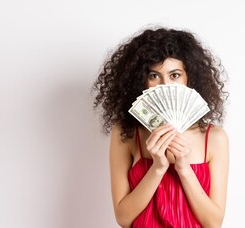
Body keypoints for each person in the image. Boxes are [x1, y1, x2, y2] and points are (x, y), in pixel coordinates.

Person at [93, 27, 229, 228]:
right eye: (154, 76)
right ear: (141, 80)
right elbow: (124, 218)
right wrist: (158, 167)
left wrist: (183, 168)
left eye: (174, 75)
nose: (165, 85)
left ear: (188, 78)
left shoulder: (214, 138)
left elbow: (213, 223)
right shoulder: (126, 133)